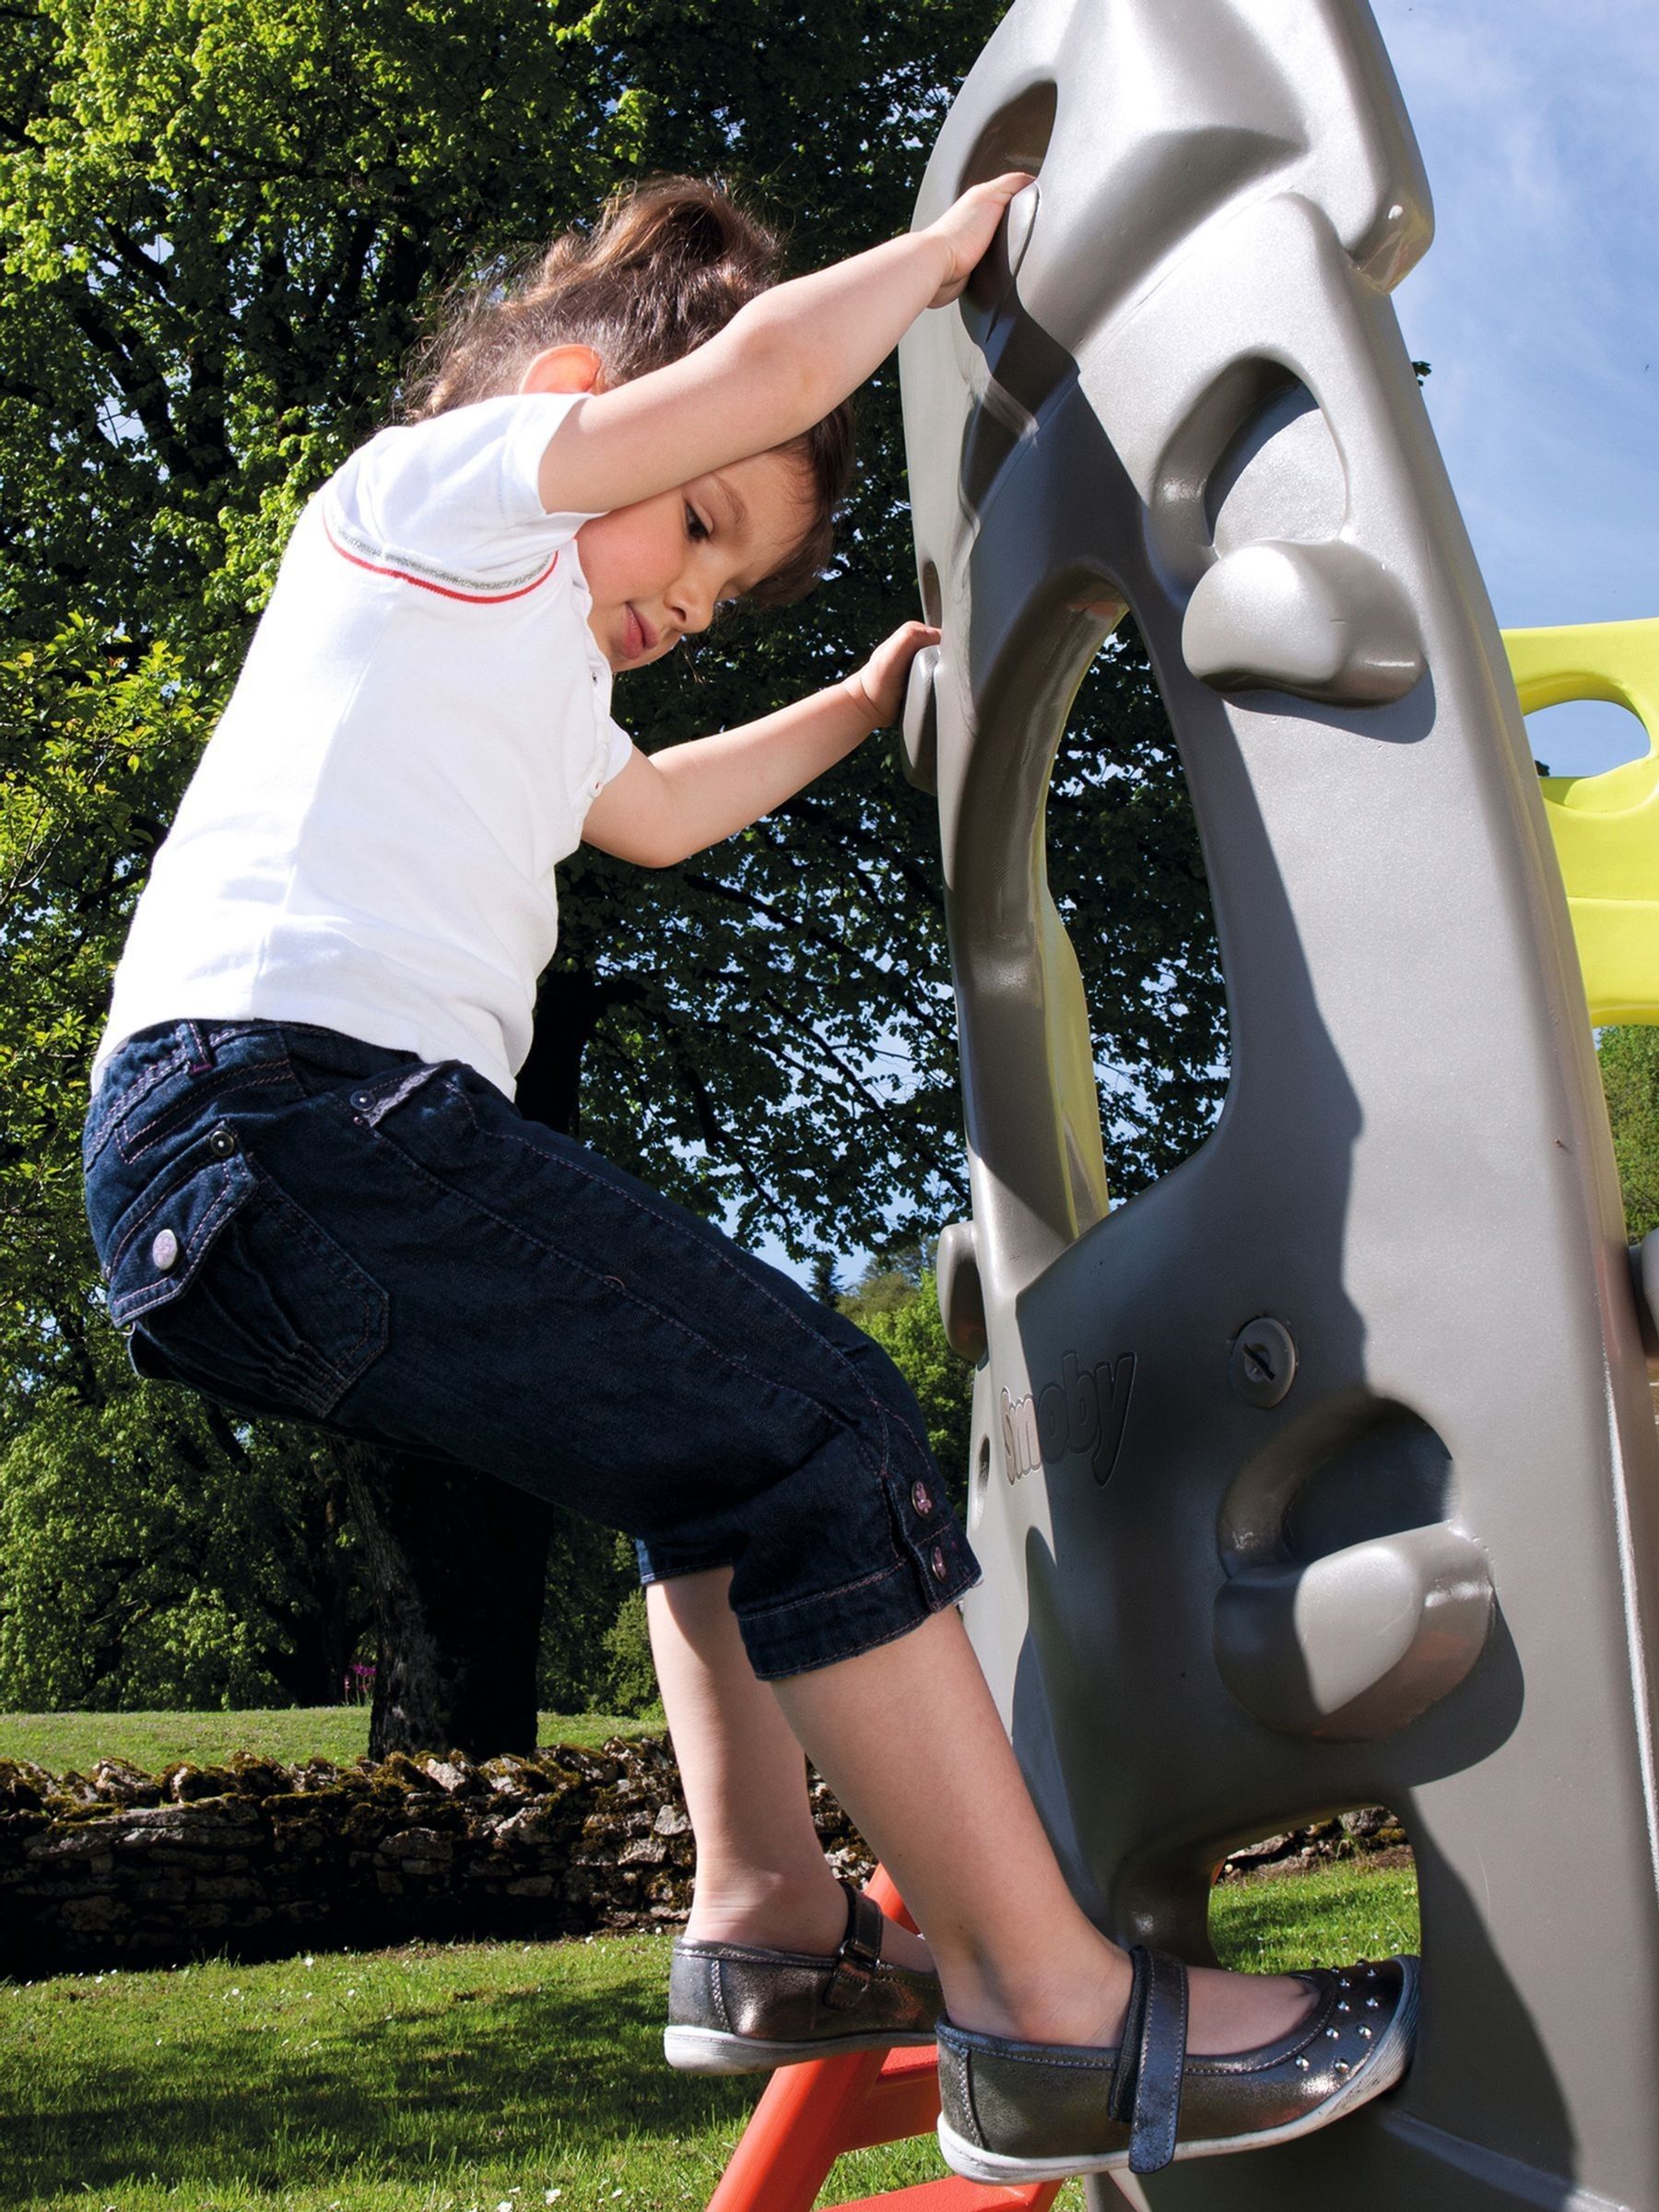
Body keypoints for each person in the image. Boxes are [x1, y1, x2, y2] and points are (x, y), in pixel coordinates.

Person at [78, 171, 1416, 2183]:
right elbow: (775, 369)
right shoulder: (436, 494)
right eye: (698, 521)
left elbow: (653, 815)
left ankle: (769, 1923)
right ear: (574, 396)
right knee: (831, 1430)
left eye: (716, 602)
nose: (683, 606)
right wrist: (946, 256)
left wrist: (853, 706)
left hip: (249, 1187)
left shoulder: (536, 672)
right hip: (281, 1105)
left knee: (715, 1460)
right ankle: (1055, 2015)